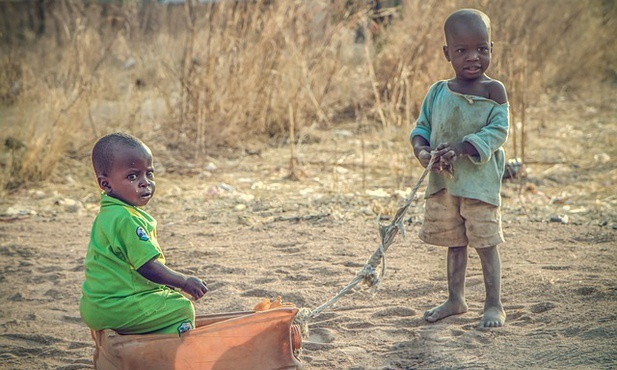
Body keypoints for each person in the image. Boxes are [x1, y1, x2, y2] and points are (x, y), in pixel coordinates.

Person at [410, 8, 508, 328]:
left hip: (479, 185)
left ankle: (493, 304)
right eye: (461, 50)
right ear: (446, 53)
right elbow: (421, 128)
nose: (473, 57)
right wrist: (423, 152)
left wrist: (463, 148)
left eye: (482, 48)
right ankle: (456, 299)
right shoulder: (437, 92)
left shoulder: (494, 91)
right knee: (455, 242)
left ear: (492, 48)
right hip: (446, 185)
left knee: (485, 242)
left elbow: (498, 131)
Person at [80, 132, 209, 335]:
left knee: (165, 296)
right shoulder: (126, 219)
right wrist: (183, 281)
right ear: (105, 184)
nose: (145, 182)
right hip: (117, 306)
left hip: (98, 304)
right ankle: (167, 354)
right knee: (181, 308)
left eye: (149, 173)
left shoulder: (110, 213)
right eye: (133, 176)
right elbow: (147, 267)